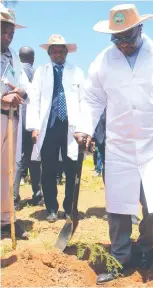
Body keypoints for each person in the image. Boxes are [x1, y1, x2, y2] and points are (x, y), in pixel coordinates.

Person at [75, 4, 153, 284]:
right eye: (117, 38)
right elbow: (93, 99)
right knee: (117, 206)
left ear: (141, 28)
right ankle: (119, 257)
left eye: (128, 36)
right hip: (120, 144)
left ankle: (145, 246)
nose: (124, 44)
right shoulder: (103, 61)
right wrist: (83, 130)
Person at [26, 34, 85, 223]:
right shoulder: (41, 72)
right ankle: (51, 208)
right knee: (49, 169)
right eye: (54, 51)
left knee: (71, 169)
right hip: (48, 127)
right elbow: (34, 100)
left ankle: (69, 208)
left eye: (61, 50)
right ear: (49, 53)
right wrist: (34, 127)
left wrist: (83, 128)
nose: (57, 53)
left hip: (71, 128)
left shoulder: (76, 72)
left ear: (66, 52)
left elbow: (83, 101)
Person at [0, 4, 29, 239]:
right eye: (3, 31)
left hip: (11, 118)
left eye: (11, 33)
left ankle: (6, 219)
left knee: (7, 170)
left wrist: (20, 90)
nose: (8, 37)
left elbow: (23, 86)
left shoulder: (13, 57)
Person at [14, 46, 43, 210]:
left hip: (19, 119)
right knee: (34, 159)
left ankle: (14, 199)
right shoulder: (37, 73)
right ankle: (37, 195)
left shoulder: (15, 71)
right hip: (34, 123)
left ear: (19, 57)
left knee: (18, 159)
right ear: (32, 58)